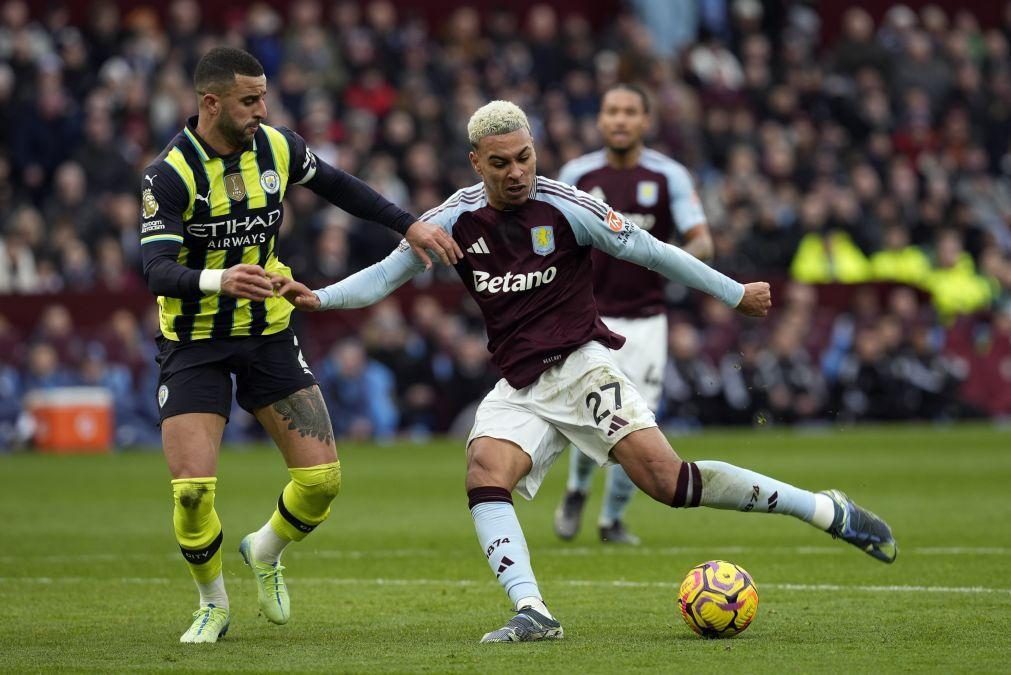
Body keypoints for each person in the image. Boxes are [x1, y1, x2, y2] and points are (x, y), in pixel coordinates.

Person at [273, 101, 896, 644]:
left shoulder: (567, 207)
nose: (517, 172)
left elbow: (653, 251)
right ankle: (533, 611)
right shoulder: (452, 223)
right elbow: (383, 276)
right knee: (484, 471)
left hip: (581, 369)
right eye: (501, 163)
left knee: (668, 483)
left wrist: (734, 293)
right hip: (521, 385)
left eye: (525, 157)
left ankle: (822, 510)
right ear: (475, 163)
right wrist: (320, 299)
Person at [139, 47, 461, 644]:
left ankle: (264, 551)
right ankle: (212, 604)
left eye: (264, 96)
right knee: (190, 494)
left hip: (268, 332)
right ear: (211, 103)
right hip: (194, 342)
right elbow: (155, 268)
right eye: (249, 100)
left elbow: (342, 186)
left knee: (322, 484)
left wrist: (409, 224)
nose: (263, 109)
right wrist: (219, 279)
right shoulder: (170, 174)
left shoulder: (277, 147)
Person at [553, 83, 714, 545]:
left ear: (646, 121)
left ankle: (612, 521)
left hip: (647, 320)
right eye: (612, 112)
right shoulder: (578, 173)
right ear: (600, 121)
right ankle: (577, 489)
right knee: (595, 414)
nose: (620, 120)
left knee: (638, 420)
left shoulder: (669, 175)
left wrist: (681, 258)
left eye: (629, 112)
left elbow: (702, 238)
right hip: (591, 317)